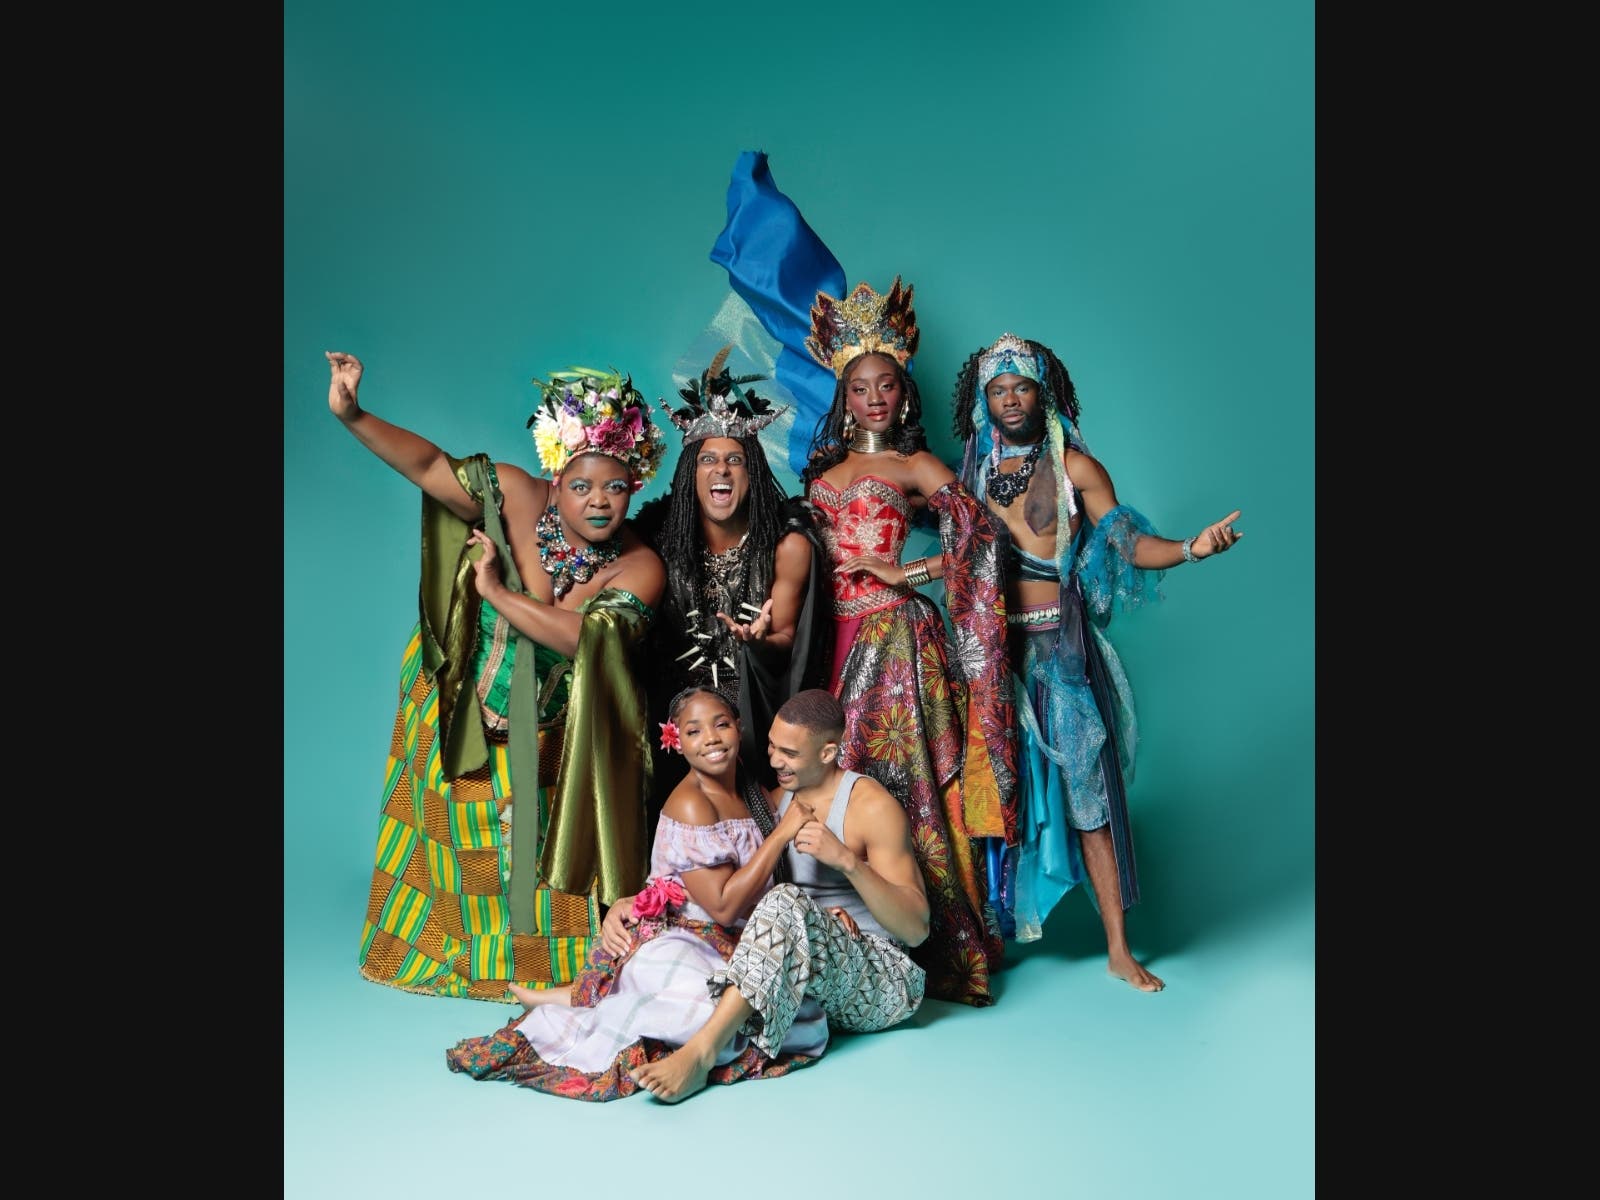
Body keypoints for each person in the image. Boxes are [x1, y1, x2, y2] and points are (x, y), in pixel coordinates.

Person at [327, 349, 669, 999]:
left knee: (533, 863)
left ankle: (533, 974)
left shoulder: (639, 567)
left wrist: (498, 593)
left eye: (616, 487)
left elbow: (582, 638)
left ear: (636, 484)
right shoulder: (511, 493)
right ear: (556, 474)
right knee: (456, 849)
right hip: (462, 706)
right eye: (582, 485)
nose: (599, 502)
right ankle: (447, 952)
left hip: (554, 738)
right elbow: (430, 466)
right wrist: (352, 414)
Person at [952, 333, 1243, 992]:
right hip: (996, 659)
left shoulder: (1077, 469)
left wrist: (1193, 548)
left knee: (1089, 803)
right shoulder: (970, 474)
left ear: (1043, 391)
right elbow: (949, 561)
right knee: (989, 796)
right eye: (998, 390)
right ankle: (980, 947)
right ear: (983, 400)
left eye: (1021, 387)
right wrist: (891, 570)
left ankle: (1117, 945)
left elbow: (1128, 543)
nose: (1010, 400)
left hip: (1062, 656)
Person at [788, 278, 1019, 1008]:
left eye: (887, 384)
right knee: (837, 778)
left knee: (907, 785)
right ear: (843, 396)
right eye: (861, 388)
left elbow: (983, 538)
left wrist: (903, 569)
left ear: (904, 393)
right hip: (835, 638)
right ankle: (838, 942)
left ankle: (936, 945)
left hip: (896, 638)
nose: (876, 398)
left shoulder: (917, 467)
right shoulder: (820, 474)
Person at [444, 685, 829, 1099]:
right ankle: (581, 1005)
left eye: (721, 725)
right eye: (695, 731)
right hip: (690, 936)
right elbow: (722, 905)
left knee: (791, 1010)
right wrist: (784, 832)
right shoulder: (692, 804)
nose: (712, 739)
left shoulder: (751, 792)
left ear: (739, 726)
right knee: (711, 1012)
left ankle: (582, 996)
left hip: (737, 941)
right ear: (674, 740)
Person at [630, 688, 929, 1103]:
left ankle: (701, 1054)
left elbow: (916, 930)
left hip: (883, 983)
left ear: (827, 752)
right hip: (803, 978)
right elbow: (702, 877)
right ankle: (587, 1003)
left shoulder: (870, 807)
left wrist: (846, 862)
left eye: (788, 753)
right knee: (682, 966)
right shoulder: (771, 800)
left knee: (784, 900)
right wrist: (629, 907)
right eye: (771, 746)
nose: (773, 761)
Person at [629, 347, 832, 833]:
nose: (721, 471)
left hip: (752, 720)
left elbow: (786, 640)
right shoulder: (656, 539)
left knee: (755, 835)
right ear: (689, 474)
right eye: (709, 460)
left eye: (735, 461)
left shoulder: (786, 547)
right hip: (670, 721)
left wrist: (758, 641)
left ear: (752, 475)